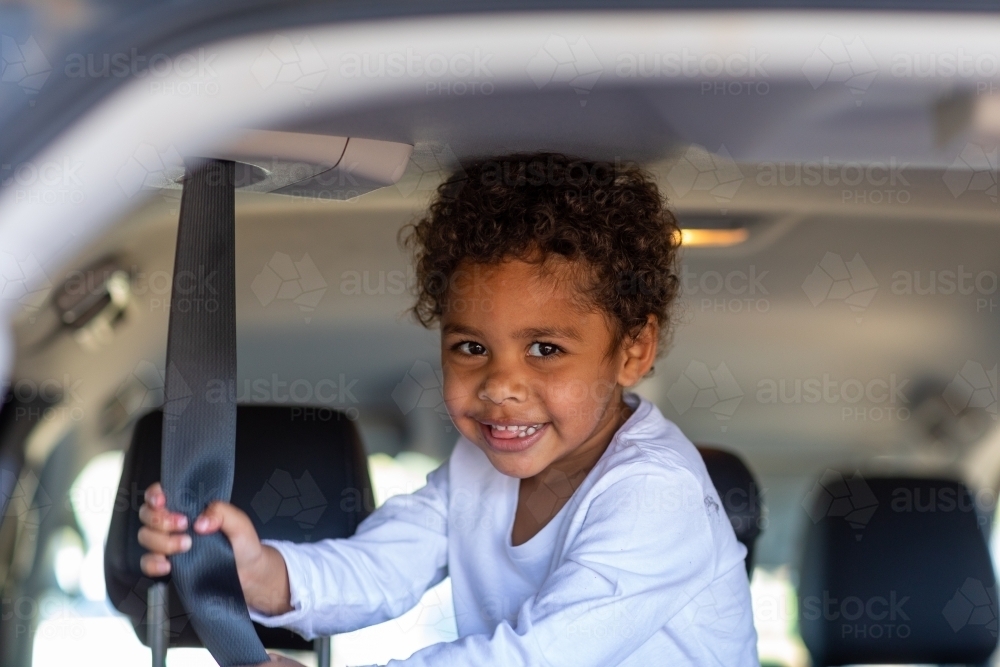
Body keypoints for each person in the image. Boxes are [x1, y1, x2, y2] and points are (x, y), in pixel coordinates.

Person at [137, 153, 759, 666]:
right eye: (471, 347)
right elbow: (381, 566)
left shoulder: (658, 493)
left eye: (545, 348)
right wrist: (261, 571)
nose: (500, 385)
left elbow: (537, 657)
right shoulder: (478, 467)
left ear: (634, 349)